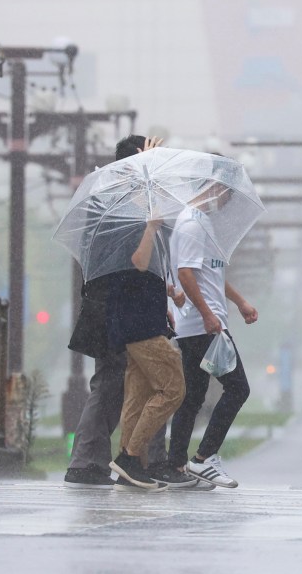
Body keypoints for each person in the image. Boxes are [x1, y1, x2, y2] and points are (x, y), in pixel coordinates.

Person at [63, 135, 189, 491]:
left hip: (125, 302)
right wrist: (146, 171)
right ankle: (103, 460)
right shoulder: (113, 198)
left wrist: (164, 292)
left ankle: (134, 461)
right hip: (116, 306)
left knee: (134, 384)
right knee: (121, 382)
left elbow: (136, 257)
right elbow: (130, 257)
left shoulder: (123, 198)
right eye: (146, 162)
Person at [164, 167, 257, 488]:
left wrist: (241, 302)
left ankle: (176, 465)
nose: (226, 201)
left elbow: (211, 274)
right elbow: (186, 274)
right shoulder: (191, 224)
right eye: (227, 193)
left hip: (202, 323)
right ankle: (204, 458)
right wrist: (207, 314)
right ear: (214, 187)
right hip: (205, 325)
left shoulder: (202, 224)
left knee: (192, 396)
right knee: (238, 388)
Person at [104, 143, 188, 492]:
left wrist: (165, 294)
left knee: (137, 395)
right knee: (173, 389)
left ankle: (130, 464)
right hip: (139, 323)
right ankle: (130, 455)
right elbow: (138, 262)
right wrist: (152, 226)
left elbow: (147, 271)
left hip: (143, 316)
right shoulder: (128, 217)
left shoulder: (132, 211)